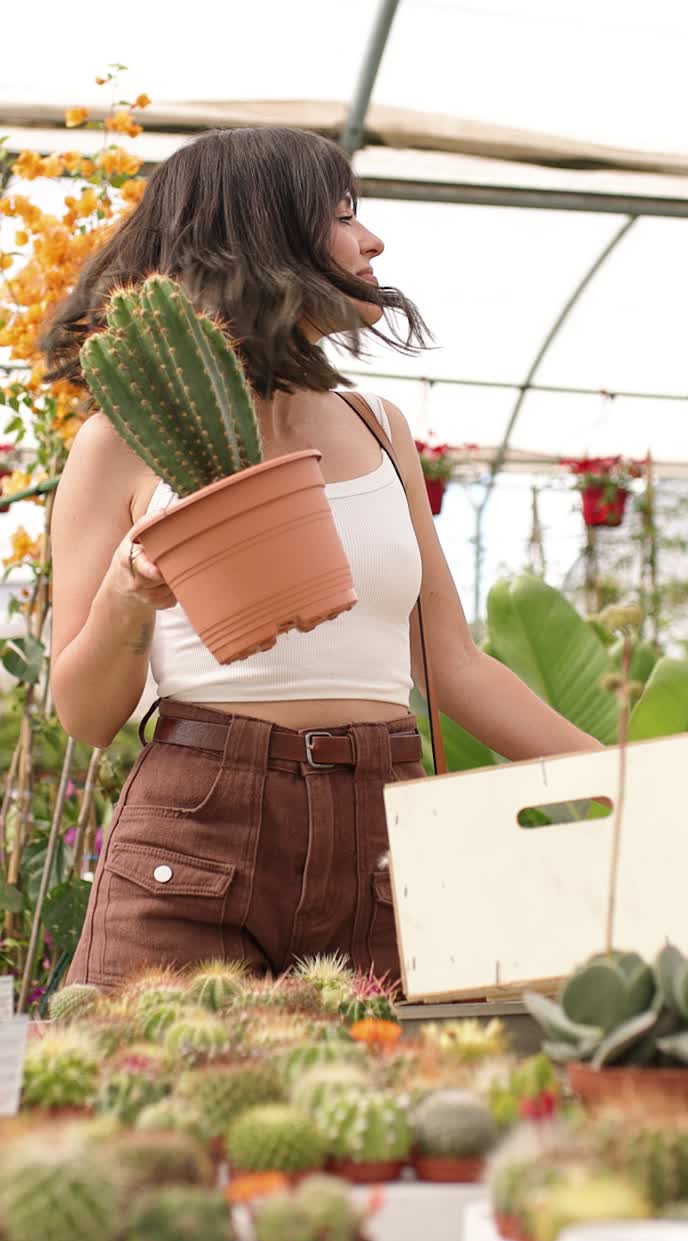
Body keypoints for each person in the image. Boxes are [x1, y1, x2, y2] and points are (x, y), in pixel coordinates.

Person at [44, 127, 598, 993]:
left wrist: (628, 781)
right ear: (262, 235)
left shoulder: (381, 427)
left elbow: (449, 663)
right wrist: (128, 592)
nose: (372, 241)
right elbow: (81, 713)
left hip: (384, 834)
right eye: (343, 216)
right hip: (196, 830)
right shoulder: (116, 444)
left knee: (395, 1120)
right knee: (147, 1114)